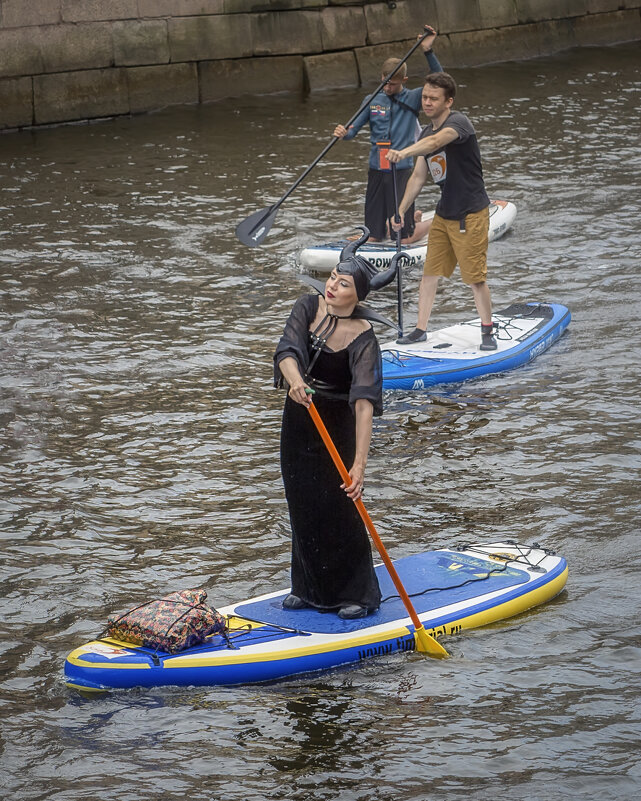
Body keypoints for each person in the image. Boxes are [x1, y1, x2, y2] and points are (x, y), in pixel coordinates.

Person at [273, 229, 400, 620]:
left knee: (339, 507)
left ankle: (357, 593)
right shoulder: (306, 307)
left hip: (337, 426)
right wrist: (295, 381)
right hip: (299, 419)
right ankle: (308, 588)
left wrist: (360, 463)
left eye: (343, 284)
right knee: (303, 503)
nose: (332, 287)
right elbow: (287, 351)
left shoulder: (364, 339)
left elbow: (364, 404)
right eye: (332, 278)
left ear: (358, 295)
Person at [388, 71, 497, 350]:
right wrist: (401, 209)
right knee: (429, 273)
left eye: (433, 99)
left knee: (475, 278)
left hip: (470, 213)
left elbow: (437, 143)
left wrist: (404, 152)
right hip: (443, 214)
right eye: (424, 97)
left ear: (448, 101)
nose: (427, 103)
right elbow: (418, 177)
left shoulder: (458, 123)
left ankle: (488, 331)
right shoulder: (425, 132)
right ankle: (420, 329)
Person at [333, 25, 442, 242]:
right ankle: (398, 223)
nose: (387, 87)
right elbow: (352, 129)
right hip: (376, 167)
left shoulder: (413, 98)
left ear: (404, 81)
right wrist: (343, 132)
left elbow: (440, 80)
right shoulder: (373, 99)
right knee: (373, 235)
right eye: (384, 82)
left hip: (400, 169)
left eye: (392, 84)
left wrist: (428, 51)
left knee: (402, 237)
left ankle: (429, 224)